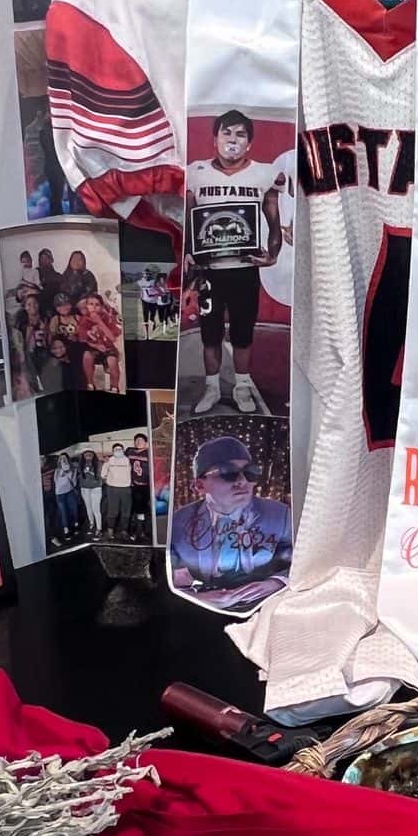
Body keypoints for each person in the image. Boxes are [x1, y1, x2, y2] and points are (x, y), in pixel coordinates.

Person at [185, 110, 286, 415]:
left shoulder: (264, 173)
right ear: (214, 138)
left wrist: (273, 253)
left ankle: (242, 385)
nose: (233, 139)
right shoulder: (196, 172)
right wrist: (189, 252)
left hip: (244, 269)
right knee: (210, 334)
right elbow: (189, 219)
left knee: (243, 333)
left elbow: (273, 218)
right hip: (210, 272)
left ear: (249, 143)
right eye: (227, 133)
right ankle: (213, 388)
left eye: (240, 134)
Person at [168, 435, 293, 613]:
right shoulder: (177, 524)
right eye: (227, 473)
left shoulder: (280, 515)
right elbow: (169, 577)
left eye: (250, 472)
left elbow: (306, 561)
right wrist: (196, 598)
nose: (242, 481)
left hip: (267, 608)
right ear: (199, 485)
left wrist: (277, 583)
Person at [75, 292, 119, 390]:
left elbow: (113, 338)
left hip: (108, 347)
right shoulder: (84, 319)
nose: (94, 307)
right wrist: (96, 346)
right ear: (87, 306)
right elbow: (83, 339)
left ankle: (114, 387)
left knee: (112, 363)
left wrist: (99, 321)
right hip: (94, 347)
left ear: (101, 306)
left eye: (97, 305)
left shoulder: (107, 317)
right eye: (91, 304)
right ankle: (90, 384)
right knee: (87, 356)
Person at [103, 443, 135, 541]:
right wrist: (110, 483)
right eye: (116, 449)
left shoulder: (129, 460)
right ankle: (110, 531)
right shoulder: (108, 461)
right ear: (113, 451)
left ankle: (124, 531)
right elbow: (103, 475)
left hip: (126, 489)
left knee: (126, 511)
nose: (118, 450)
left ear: (123, 450)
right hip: (112, 489)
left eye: (120, 449)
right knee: (113, 511)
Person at [128, 432, 153, 543]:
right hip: (135, 485)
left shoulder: (150, 453)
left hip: (147, 486)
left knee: (145, 509)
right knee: (136, 509)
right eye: (136, 440)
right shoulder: (130, 451)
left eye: (141, 440)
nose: (138, 442)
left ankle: (144, 531)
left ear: (146, 443)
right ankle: (137, 531)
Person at [77, 449, 104, 538]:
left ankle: (99, 528)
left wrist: (90, 472)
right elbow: (79, 476)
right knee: (89, 508)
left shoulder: (98, 463)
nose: (88, 455)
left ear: (93, 455)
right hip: (85, 488)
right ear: (83, 455)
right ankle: (92, 525)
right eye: (86, 454)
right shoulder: (80, 464)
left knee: (96, 509)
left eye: (90, 454)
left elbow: (100, 476)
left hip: (96, 488)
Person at [53, 453, 80, 539]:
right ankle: (66, 530)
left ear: (68, 459)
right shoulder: (57, 470)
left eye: (65, 458)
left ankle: (75, 525)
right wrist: (62, 472)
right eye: (61, 458)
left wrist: (69, 473)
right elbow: (56, 482)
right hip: (60, 494)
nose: (63, 460)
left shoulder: (73, 469)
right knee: (63, 512)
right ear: (59, 460)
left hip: (70, 492)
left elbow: (74, 483)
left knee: (74, 510)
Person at [137, 267, 160, 338]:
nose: (146, 275)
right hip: (145, 302)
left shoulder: (154, 281)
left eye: (148, 274)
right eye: (145, 274)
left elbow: (159, 290)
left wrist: (154, 294)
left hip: (153, 302)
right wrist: (141, 298)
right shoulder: (140, 282)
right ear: (143, 274)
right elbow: (140, 291)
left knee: (152, 318)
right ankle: (146, 334)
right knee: (145, 318)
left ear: (150, 275)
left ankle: (153, 329)